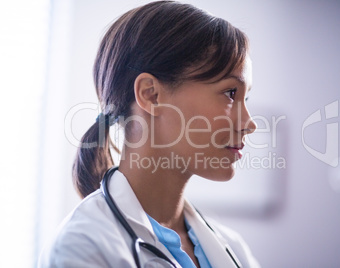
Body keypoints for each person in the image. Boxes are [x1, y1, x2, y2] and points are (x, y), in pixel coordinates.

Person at [39, 1, 259, 267]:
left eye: (245, 98)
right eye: (230, 93)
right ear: (151, 95)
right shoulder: (83, 247)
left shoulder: (233, 249)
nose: (249, 123)